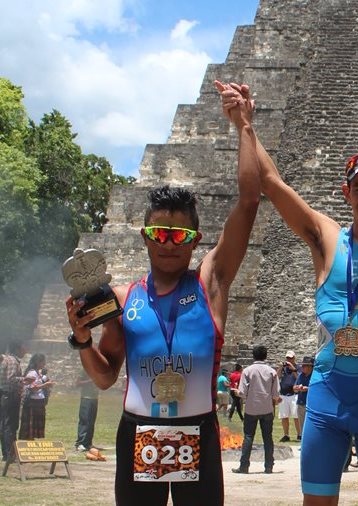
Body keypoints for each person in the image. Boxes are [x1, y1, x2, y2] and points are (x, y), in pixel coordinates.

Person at [219, 84, 358, 505]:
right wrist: (245, 125)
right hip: (326, 396)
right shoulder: (326, 238)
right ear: (346, 192)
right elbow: (270, 182)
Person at [64, 79, 261, 506]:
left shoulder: (211, 283)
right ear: (145, 236)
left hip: (199, 431)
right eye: (159, 233)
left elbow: (248, 201)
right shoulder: (122, 298)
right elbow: (104, 377)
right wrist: (81, 340)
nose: (168, 243)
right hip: (140, 432)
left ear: (195, 239)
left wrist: (243, 125)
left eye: (179, 234)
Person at [232, 345, 280, 474]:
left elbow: (242, 392)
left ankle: (244, 466)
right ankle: (269, 466)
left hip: (251, 409)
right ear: (265, 356)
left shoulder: (247, 371)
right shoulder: (272, 372)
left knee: (248, 437)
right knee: (267, 437)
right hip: (267, 408)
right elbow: (276, 394)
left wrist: (236, 392)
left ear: (253, 356)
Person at [0, 340, 28, 461]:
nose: (25, 350)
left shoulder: (6, 359)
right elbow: (10, 379)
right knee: (10, 425)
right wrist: (25, 379)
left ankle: (7, 453)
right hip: (10, 396)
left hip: (4, 396)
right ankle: (9, 454)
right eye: (24, 347)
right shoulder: (12, 361)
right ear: (18, 348)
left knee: (4, 424)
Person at [19, 353, 53, 440]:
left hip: (39, 402)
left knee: (35, 427)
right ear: (38, 362)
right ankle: (29, 443)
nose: (44, 363)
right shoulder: (32, 373)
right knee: (31, 426)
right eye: (43, 361)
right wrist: (45, 385)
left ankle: (32, 442)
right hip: (32, 403)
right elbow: (32, 388)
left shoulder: (39, 373)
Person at [74, 368, 99, 451]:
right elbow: (77, 383)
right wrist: (90, 381)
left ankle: (88, 443)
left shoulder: (98, 369)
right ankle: (80, 443)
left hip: (94, 398)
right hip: (86, 398)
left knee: (91, 422)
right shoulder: (85, 369)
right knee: (84, 421)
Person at [278, 350, 300, 442]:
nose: (289, 360)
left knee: (296, 416)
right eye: (287, 358)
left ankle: (299, 434)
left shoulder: (298, 367)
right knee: (284, 416)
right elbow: (277, 377)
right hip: (283, 394)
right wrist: (280, 368)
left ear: (294, 358)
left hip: (294, 394)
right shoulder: (284, 368)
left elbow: (299, 378)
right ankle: (286, 434)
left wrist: (292, 368)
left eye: (290, 358)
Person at [294, 356, 314, 438]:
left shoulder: (314, 376)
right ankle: (302, 443)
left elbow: (317, 388)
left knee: (311, 426)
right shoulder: (301, 375)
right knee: (302, 425)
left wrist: (307, 389)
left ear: (310, 367)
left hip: (311, 405)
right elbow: (294, 387)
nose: (302, 367)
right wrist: (297, 387)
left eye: (304, 366)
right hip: (301, 403)